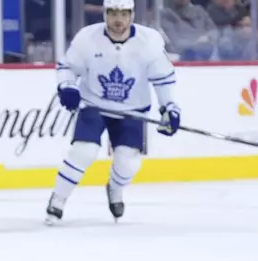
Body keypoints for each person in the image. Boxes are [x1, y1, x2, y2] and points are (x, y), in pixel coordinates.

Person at [46, 0, 181, 224]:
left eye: (124, 13)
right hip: (94, 105)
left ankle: (115, 188)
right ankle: (57, 200)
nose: (118, 20)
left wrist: (170, 108)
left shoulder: (149, 42)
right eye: (113, 13)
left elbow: (163, 78)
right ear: (105, 14)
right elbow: (67, 67)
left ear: (132, 15)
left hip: (132, 111)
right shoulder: (87, 38)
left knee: (128, 163)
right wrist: (67, 86)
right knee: (84, 151)